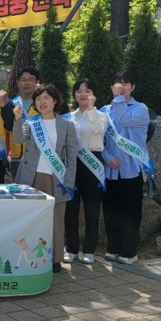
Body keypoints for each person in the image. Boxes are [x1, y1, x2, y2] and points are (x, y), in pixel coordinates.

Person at [13, 84, 77, 273]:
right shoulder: (31, 122)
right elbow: (18, 139)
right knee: (33, 218)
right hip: (32, 177)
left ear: (55, 101)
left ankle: (56, 258)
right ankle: (33, 257)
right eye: (38, 99)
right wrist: (18, 119)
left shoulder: (66, 125)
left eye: (46, 98)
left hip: (56, 178)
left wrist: (70, 181)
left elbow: (72, 155)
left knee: (56, 219)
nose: (42, 102)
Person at [102, 72, 150, 265]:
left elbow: (122, 119)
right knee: (111, 210)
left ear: (133, 87)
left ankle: (129, 252)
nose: (121, 86)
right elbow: (100, 139)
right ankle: (113, 248)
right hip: (110, 169)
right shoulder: (104, 110)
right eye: (117, 83)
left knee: (130, 212)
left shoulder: (141, 109)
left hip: (132, 169)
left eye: (126, 83)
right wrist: (107, 157)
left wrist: (118, 99)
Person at [63, 79, 108, 265]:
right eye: (79, 91)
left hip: (93, 164)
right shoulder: (67, 117)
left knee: (92, 210)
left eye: (87, 91)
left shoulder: (102, 115)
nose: (82, 94)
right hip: (72, 164)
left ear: (94, 94)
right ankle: (71, 249)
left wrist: (90, 109)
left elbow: (98, 130)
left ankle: (89, 250)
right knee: (70, 209)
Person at [10, 67, 40, 178]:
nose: (26, 83)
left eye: (31, 79)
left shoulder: (42, 105)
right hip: (16, 157)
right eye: (23, 80)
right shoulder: (11, 104)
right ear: (18, 83)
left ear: (37, 82)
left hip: (36, 157)